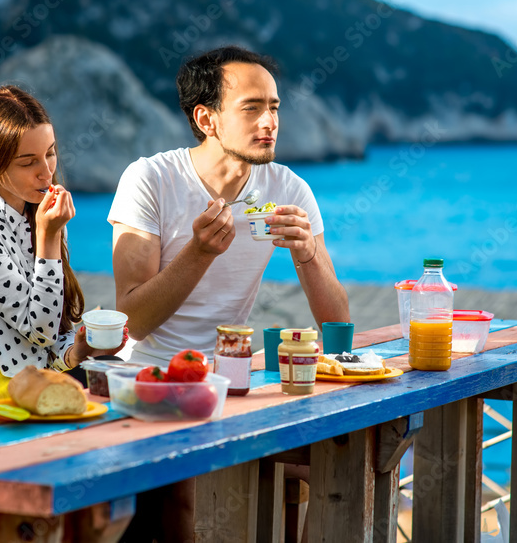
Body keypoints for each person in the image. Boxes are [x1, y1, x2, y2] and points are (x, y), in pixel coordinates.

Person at [109, 44, 349, 362]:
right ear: (207, 120)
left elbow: (337, 324)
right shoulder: (150, 179)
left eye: (274, 108)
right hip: (145, 372)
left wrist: (309, 254)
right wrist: (199, 252)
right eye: (251, 108)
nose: (269, 122)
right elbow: (133, 324)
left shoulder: (288, 188)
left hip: (230, 370)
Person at [0, 85, 126, 418]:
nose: (46, 172)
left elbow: (42, 346)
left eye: (50, 153)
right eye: (28, 162)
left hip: (33, 394)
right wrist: (50, 238)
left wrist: (77, 350)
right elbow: (37, 329)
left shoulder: (33, 217)